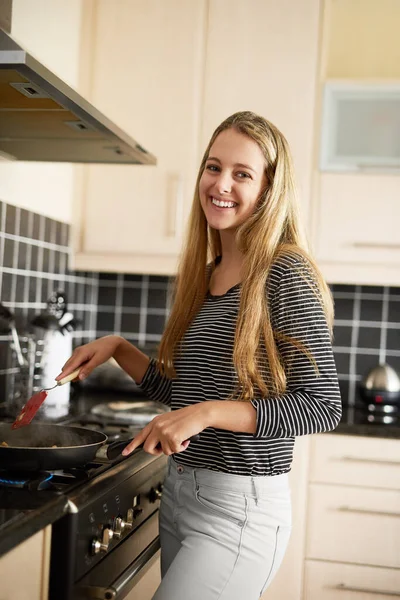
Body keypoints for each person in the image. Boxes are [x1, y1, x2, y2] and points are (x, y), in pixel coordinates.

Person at [57, 111, 342, 600]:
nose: (221, 184)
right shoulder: (209, 272)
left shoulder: (284, 272)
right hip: (182, 492)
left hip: (239, 508)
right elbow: (185, 394)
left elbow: (321, 405)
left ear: (270, 189)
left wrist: (205, 415)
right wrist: (119, 349)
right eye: (213, 167)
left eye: (242, 173)